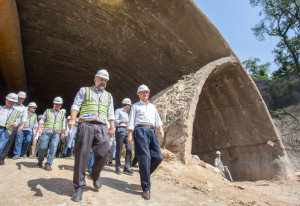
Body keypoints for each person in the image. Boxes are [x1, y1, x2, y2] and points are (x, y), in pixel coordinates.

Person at [69, 69, 114, 202]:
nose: (103, 82)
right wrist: (73, 119)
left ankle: (95, 174)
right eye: (101, 79)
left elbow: (110, 113)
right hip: (85, 125)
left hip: (102, 127)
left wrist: (112, 127)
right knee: (82, 155)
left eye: (105, 80)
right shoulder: (85, 90)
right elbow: (76, 105)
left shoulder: (109, 96)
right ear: (95, 79)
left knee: (105, 151)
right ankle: (79, 187)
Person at [128, 84, 164, 200]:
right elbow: (131, 121)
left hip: (151, 131)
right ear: (139, 94)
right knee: (144, 157)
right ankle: (146, 188)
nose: (145, 94)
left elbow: (157, 119)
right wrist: (129, 134)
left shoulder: (152, 107)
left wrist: (161, 129)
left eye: (147, 92)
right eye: (143, 92)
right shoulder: (135, 106)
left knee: (158, 157)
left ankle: (144, 173)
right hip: (140, 130)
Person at [35, 97, 66, 171]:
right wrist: (39, 129)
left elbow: (64, 123)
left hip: (56, 133)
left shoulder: (62, 113)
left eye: (59, 104)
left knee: (53, 148)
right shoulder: (48, 111)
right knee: (42, 147)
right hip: (46, 132)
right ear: (53, 104)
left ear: (61, 105)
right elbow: (42, 120)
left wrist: (63, 132)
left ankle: (48, 164)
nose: (57, 106)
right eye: (56, 104)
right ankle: (40, 160)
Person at [0, 93, 22, 165]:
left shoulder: (17, 112)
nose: (10, 102)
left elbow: (19, 121)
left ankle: (1, 158)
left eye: (12, 102)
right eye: (9, 100)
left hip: (7, 130)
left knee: (1, 146)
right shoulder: (0, 108)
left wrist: (14, 124)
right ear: (6, 100)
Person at [114, 98, 134, 175]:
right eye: (129, 105)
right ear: (126, 105)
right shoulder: (118, 111)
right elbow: (115, 121)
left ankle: (127, 167)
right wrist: (122, 121)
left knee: (129, 148)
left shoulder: (128, 113)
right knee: (119, 149)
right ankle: (117, 167)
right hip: (120, 130)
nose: (130, 107)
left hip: (127, 131)